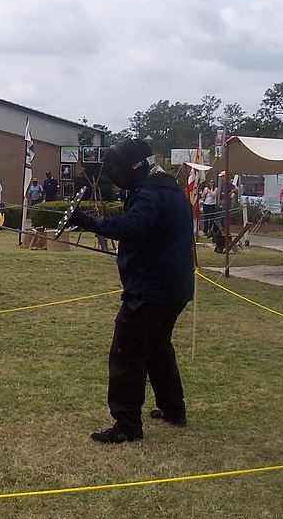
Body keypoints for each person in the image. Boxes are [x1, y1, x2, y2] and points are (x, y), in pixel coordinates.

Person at [68, 138, 194, 444]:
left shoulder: (150, 193)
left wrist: (88, 220)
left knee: (127, 353)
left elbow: (132, 227)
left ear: (136, 167)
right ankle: (173, 409)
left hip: (151, 289)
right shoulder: (170, 188)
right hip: (174, 287)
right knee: (158, 349)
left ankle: (127, 424)